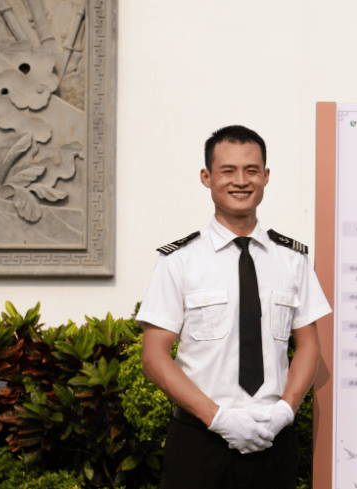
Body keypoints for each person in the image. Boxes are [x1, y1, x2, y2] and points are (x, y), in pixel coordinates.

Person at [137, 125, 332, 489]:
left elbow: (308, 345)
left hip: (273, 440)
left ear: (266, 176)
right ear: (207, 177)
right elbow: (154, 356)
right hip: (199, 440)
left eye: (251, 170)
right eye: (228, 171)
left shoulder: (293, 260)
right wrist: (218, 418)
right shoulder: (179, 261)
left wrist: (285, 410)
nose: (241, 181)